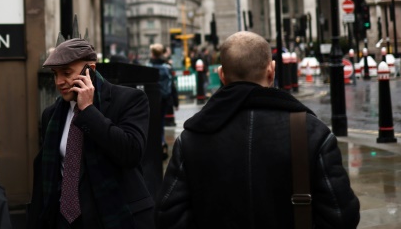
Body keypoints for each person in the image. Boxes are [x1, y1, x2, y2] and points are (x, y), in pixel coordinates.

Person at [156, 31, 359, 228]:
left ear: (221, 75)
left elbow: (168, 217)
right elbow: (342, 216)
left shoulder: (192, 137)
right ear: (271, 71)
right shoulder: (311, 132)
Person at [28, 38, 154, 228]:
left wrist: (87, 110)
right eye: (55, 74)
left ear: (91, 70)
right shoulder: (52, 115)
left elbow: (131, 153)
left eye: (67, 73)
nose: (59, 81)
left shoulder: (129, 100)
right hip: (65, 220)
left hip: (114, 216)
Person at [148, 43, 175, 155]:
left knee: (152, 122)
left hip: (152, 98)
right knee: (161, 121)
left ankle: (155, 144)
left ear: (153, 54)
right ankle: (162, 142)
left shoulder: (148, 67)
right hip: (164, 98)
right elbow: (172, 85)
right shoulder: (167, 67)